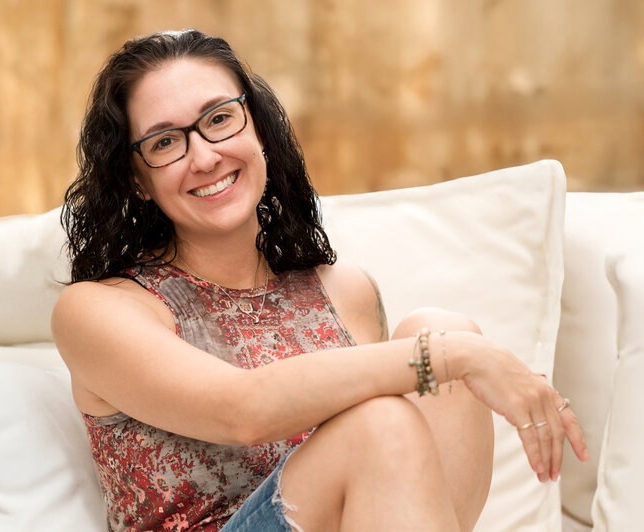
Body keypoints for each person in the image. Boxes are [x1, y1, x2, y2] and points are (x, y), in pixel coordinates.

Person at [52, 29, 588, 531]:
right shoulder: (100, 310)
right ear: (137, 179)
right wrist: (457, 355)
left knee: (440, 327)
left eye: (219, 119)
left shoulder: (343, 288)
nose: (205, 155)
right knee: (390, 413)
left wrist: (452, 348)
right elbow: (241, 410)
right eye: (165, 142)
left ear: (258, 127)